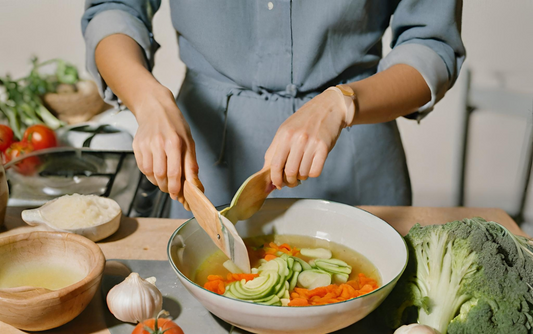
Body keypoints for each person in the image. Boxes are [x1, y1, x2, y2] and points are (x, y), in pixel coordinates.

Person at [82, 1, 465, 217]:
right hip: (204, 164)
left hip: (354, 158)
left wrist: (341, 102)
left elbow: (431, 43)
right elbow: (115, 8)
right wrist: (148, 101)